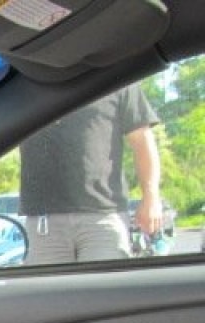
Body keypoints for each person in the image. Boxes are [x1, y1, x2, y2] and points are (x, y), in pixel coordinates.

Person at [19, 83, 163, 264]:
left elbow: (142, 141)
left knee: (102, 289)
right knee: (49, 292)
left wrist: (151, 199)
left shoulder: (118, 76)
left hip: (103, 216)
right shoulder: (28, 82)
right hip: (44, 221)